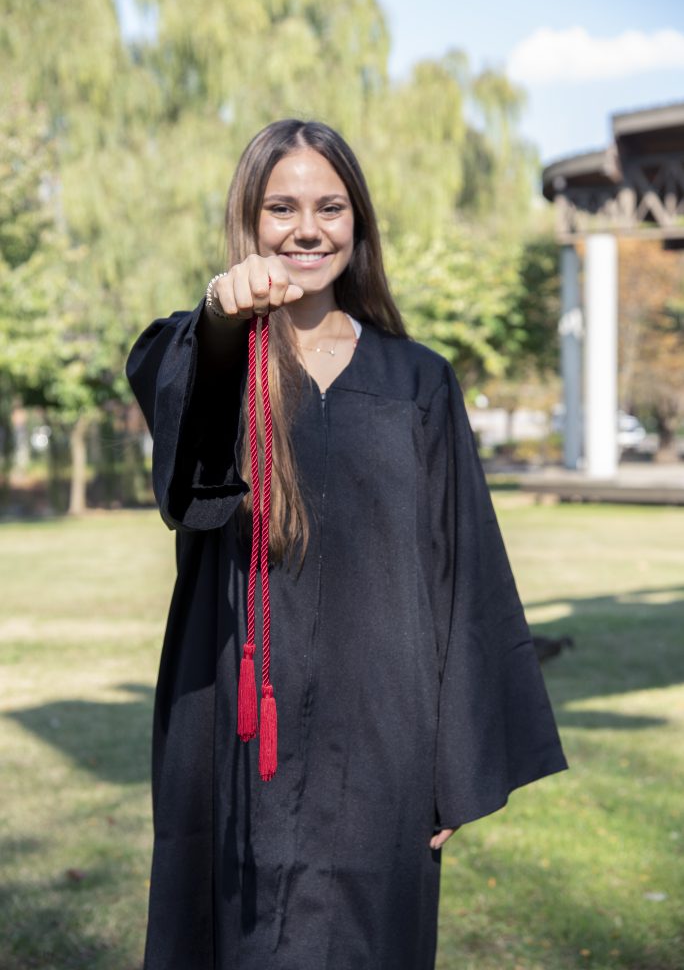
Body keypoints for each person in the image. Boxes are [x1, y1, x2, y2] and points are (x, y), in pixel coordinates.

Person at [126, 118, 568, 970]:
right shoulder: (212, 357)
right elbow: (186, 470)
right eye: (280, 207)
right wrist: (222, 312)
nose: (306, 229)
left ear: (357, 224)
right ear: (249, 224)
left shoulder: (417, 381)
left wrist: (455, 761)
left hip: (383, 736)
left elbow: (460, 574)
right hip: (237, 720)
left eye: (330, 207)